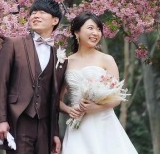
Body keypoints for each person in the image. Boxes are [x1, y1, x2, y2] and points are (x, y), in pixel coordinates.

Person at [0, 0, 66, 153]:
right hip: (19, 119)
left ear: (55, 20)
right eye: (33, 12)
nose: (35, 15)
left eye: (42, 12)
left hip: (45, 124)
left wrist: (55, 133)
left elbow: (54, 97)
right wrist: (1, 120)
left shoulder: (60, 56)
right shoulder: (14, 44)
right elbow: (0, 83)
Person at [59, 13, 138, 153]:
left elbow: (117, 97)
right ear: (76, 32)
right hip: (78, 127)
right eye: (90, 28)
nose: (96, 33)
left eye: (99, 29)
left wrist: (96, 107)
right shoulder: (65, 62)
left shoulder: (107, 59)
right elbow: (57, 101)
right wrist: (70, 110)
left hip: (104, 124)